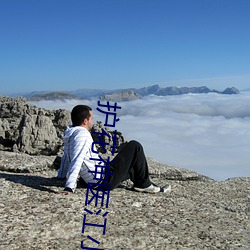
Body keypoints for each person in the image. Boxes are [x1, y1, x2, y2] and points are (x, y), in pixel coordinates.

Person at [57, 105, 171, 194]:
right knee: (135, 146)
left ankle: (143, 182)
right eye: (91, 118)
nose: (93, 121)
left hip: (93, 177)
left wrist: (61, 176)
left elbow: (66, 156)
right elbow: (77, 159)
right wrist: (69, 187)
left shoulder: (71, 134)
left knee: (130, 164)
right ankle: (144, 185)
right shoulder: (82, 135)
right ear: (85, 121)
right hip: (103, 180)